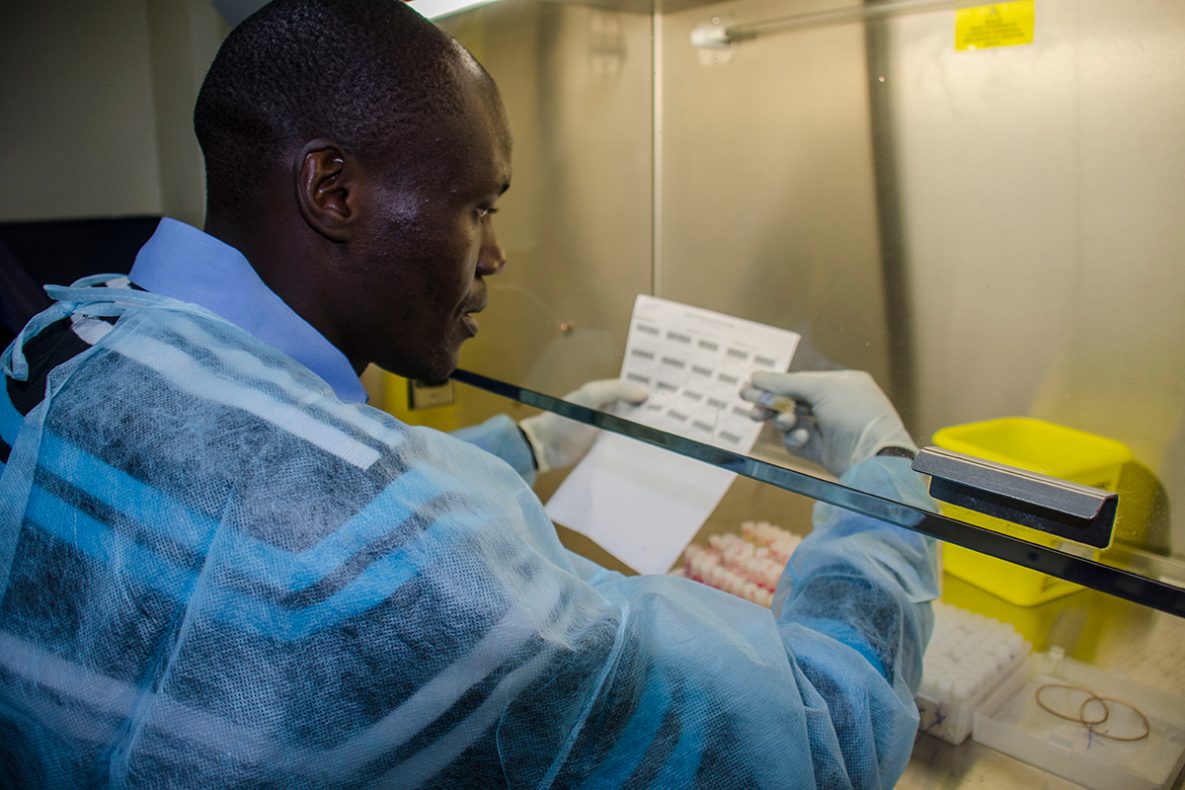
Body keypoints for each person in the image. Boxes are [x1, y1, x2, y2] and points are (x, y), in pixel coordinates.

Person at [0, 0, 937, 786]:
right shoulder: (424, 567)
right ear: (334, 190)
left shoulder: (79, 348)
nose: (492, 255)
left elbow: (263, 484)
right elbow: (817, 743)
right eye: (479, 206)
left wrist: (533, 447)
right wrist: (883, 487)